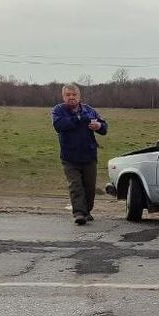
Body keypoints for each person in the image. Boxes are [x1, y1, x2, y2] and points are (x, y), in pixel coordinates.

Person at [52, 84, 107, 225]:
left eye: (74, 95)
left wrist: (99, 126)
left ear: (79, 96)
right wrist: (77, 119)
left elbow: (104, 127)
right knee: (76, 186)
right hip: (69, 157)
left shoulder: (89, 110)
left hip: (89, 155)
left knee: (89, 187)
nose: (71, 97)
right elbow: (59, 126)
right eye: (68, 95)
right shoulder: (59, 110)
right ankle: (78, 213)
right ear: (63, 96)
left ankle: (87, 211)